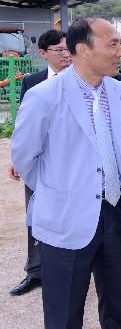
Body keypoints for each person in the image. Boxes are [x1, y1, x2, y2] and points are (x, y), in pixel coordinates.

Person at [11, 18, 121, 329]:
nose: (120, 52)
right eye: (112, 44)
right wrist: (58, 194)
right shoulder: (45, 96)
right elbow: (24, 158)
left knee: (119, 297)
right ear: (81, 49)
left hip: (116, 210)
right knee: (64, 308)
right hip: (67, 216)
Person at [8, 30, 71, 297]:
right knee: (36, 215)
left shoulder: (84, 80)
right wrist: (17, 159)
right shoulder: (32, 82)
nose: (66, 54)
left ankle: (72, 270)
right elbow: (25, 124)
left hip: (72, 164)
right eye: (58, 50)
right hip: (40, 162)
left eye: (69, 48)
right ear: (44, 54)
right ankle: (36, 271)